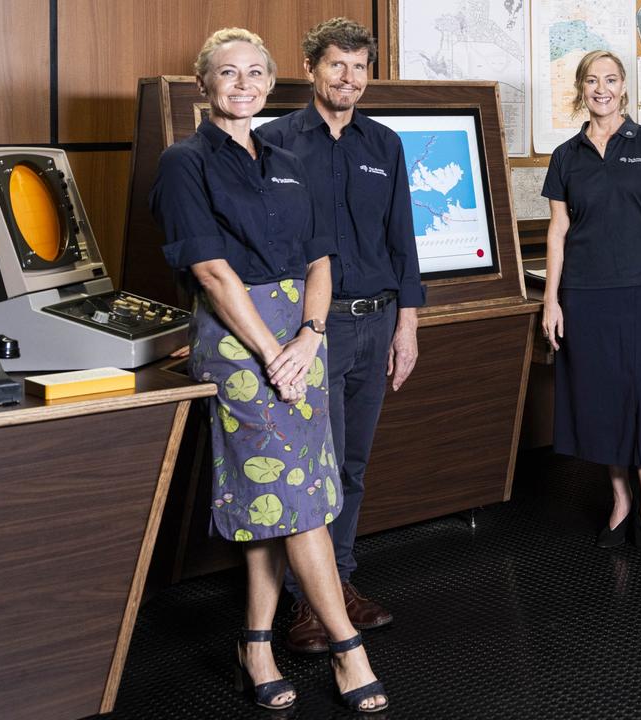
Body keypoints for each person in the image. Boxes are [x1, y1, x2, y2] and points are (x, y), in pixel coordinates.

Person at [150, 28, 388, 713]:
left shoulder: (287, 158)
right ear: (204, 84)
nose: (245, 82)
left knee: (281, 499)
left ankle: (254, 646)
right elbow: (211, 273)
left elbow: (320, 259)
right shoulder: (183, 162)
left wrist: (310, 337)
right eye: (229, 72)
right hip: (239, 342)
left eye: (256, 72)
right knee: (300, 501)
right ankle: (349, 650)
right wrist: (270, 354)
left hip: (300, 341)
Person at [256, 17, 425, 653]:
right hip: (304, 333)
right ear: (311, 68)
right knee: (308, 470)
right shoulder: (272, 142)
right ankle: (306, 607)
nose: (349, 78)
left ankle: (342, 583)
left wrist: (407, 325)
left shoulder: (384, 144)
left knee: (351, 467)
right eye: (337, 65)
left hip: (374, 323)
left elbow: (402, 240)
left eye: (359, 67)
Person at [541, 49, 641, 561]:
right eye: (591, 80)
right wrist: (551, 301)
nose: (600, 88)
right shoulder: (567, 155)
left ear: (624, 86)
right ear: (581, 89)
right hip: (585, 294)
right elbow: (558, 230)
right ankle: (621, 501)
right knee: (602, 400)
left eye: (610, 79)